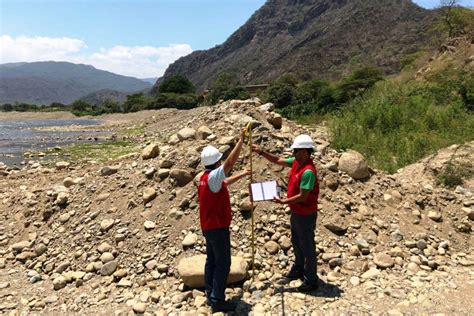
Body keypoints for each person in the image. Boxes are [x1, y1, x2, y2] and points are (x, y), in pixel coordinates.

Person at [252, 134, 319, 292]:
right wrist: (261, 152)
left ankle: (311, 280)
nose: (293, 153)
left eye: (295, 150)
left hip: (306, 215)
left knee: (307, 246)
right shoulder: (296, 162)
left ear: (304, 151)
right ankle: (298, 268)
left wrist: (284, 202)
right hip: (297, 212)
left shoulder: (308, 171)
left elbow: (303, 196)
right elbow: (278, 160)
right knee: (297, 242)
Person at [198, 128, 249, 313]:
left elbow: (225, 182)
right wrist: (241, 141)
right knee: (223, 263)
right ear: (216, 162)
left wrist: (242, 174)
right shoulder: (213, 176)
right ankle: (217, 299)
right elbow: (230, 162)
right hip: (217, 227)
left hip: (208, 227)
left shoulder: (206, 178)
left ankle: (210, 291)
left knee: (211, 260)